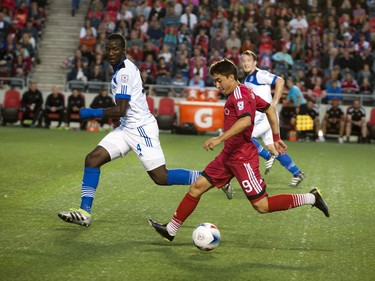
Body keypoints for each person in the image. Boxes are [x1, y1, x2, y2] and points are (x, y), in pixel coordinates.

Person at [57, 34, 232, 227]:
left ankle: (216, 179)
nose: (111, 53)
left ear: (123, 50)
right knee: (92, 159)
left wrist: (90, 112)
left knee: (161, 177)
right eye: (108, 49)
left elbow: (120, 109)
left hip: (141, 129)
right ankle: (84, 212)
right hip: (126, 128)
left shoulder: (124, 72)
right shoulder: (122, 69)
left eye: (115, 49)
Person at [149, 59, 329, 242]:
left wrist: (219, 138)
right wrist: (276, 138)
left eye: (219, 80)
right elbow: (270, 110)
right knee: (197, 187)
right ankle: (171, 230)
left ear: (231, 77)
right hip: (228, 155)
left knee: (262, 205)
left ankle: (311, 198)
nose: (217, 85)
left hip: (243, 158)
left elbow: (245, 121)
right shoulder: (244, 92)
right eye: (215, 81)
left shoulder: (240, 95)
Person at [240, 51, 305, 187]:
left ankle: (268, 157)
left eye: (248, 60)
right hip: (262, 118)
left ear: (255, 63)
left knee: (244, 136)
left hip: (265, 117)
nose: (245, 63)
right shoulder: (247, 80)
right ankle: (297, 172)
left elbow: (280, 81)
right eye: (243, 60)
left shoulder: (259, 74)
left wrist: (274, 102)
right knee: (274, 147)